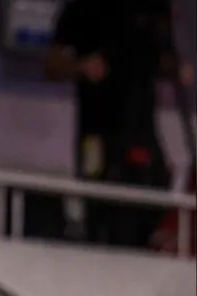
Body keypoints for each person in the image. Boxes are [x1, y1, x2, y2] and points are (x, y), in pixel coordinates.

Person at [47, 0, 183, 246]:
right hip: (98, 131)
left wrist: (173, 66)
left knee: (154, 194)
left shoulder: (152, 10)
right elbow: (52, 65)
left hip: (141, 132)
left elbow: (161, 59)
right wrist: (80, 67)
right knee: (103, 206)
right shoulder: (82, 9)